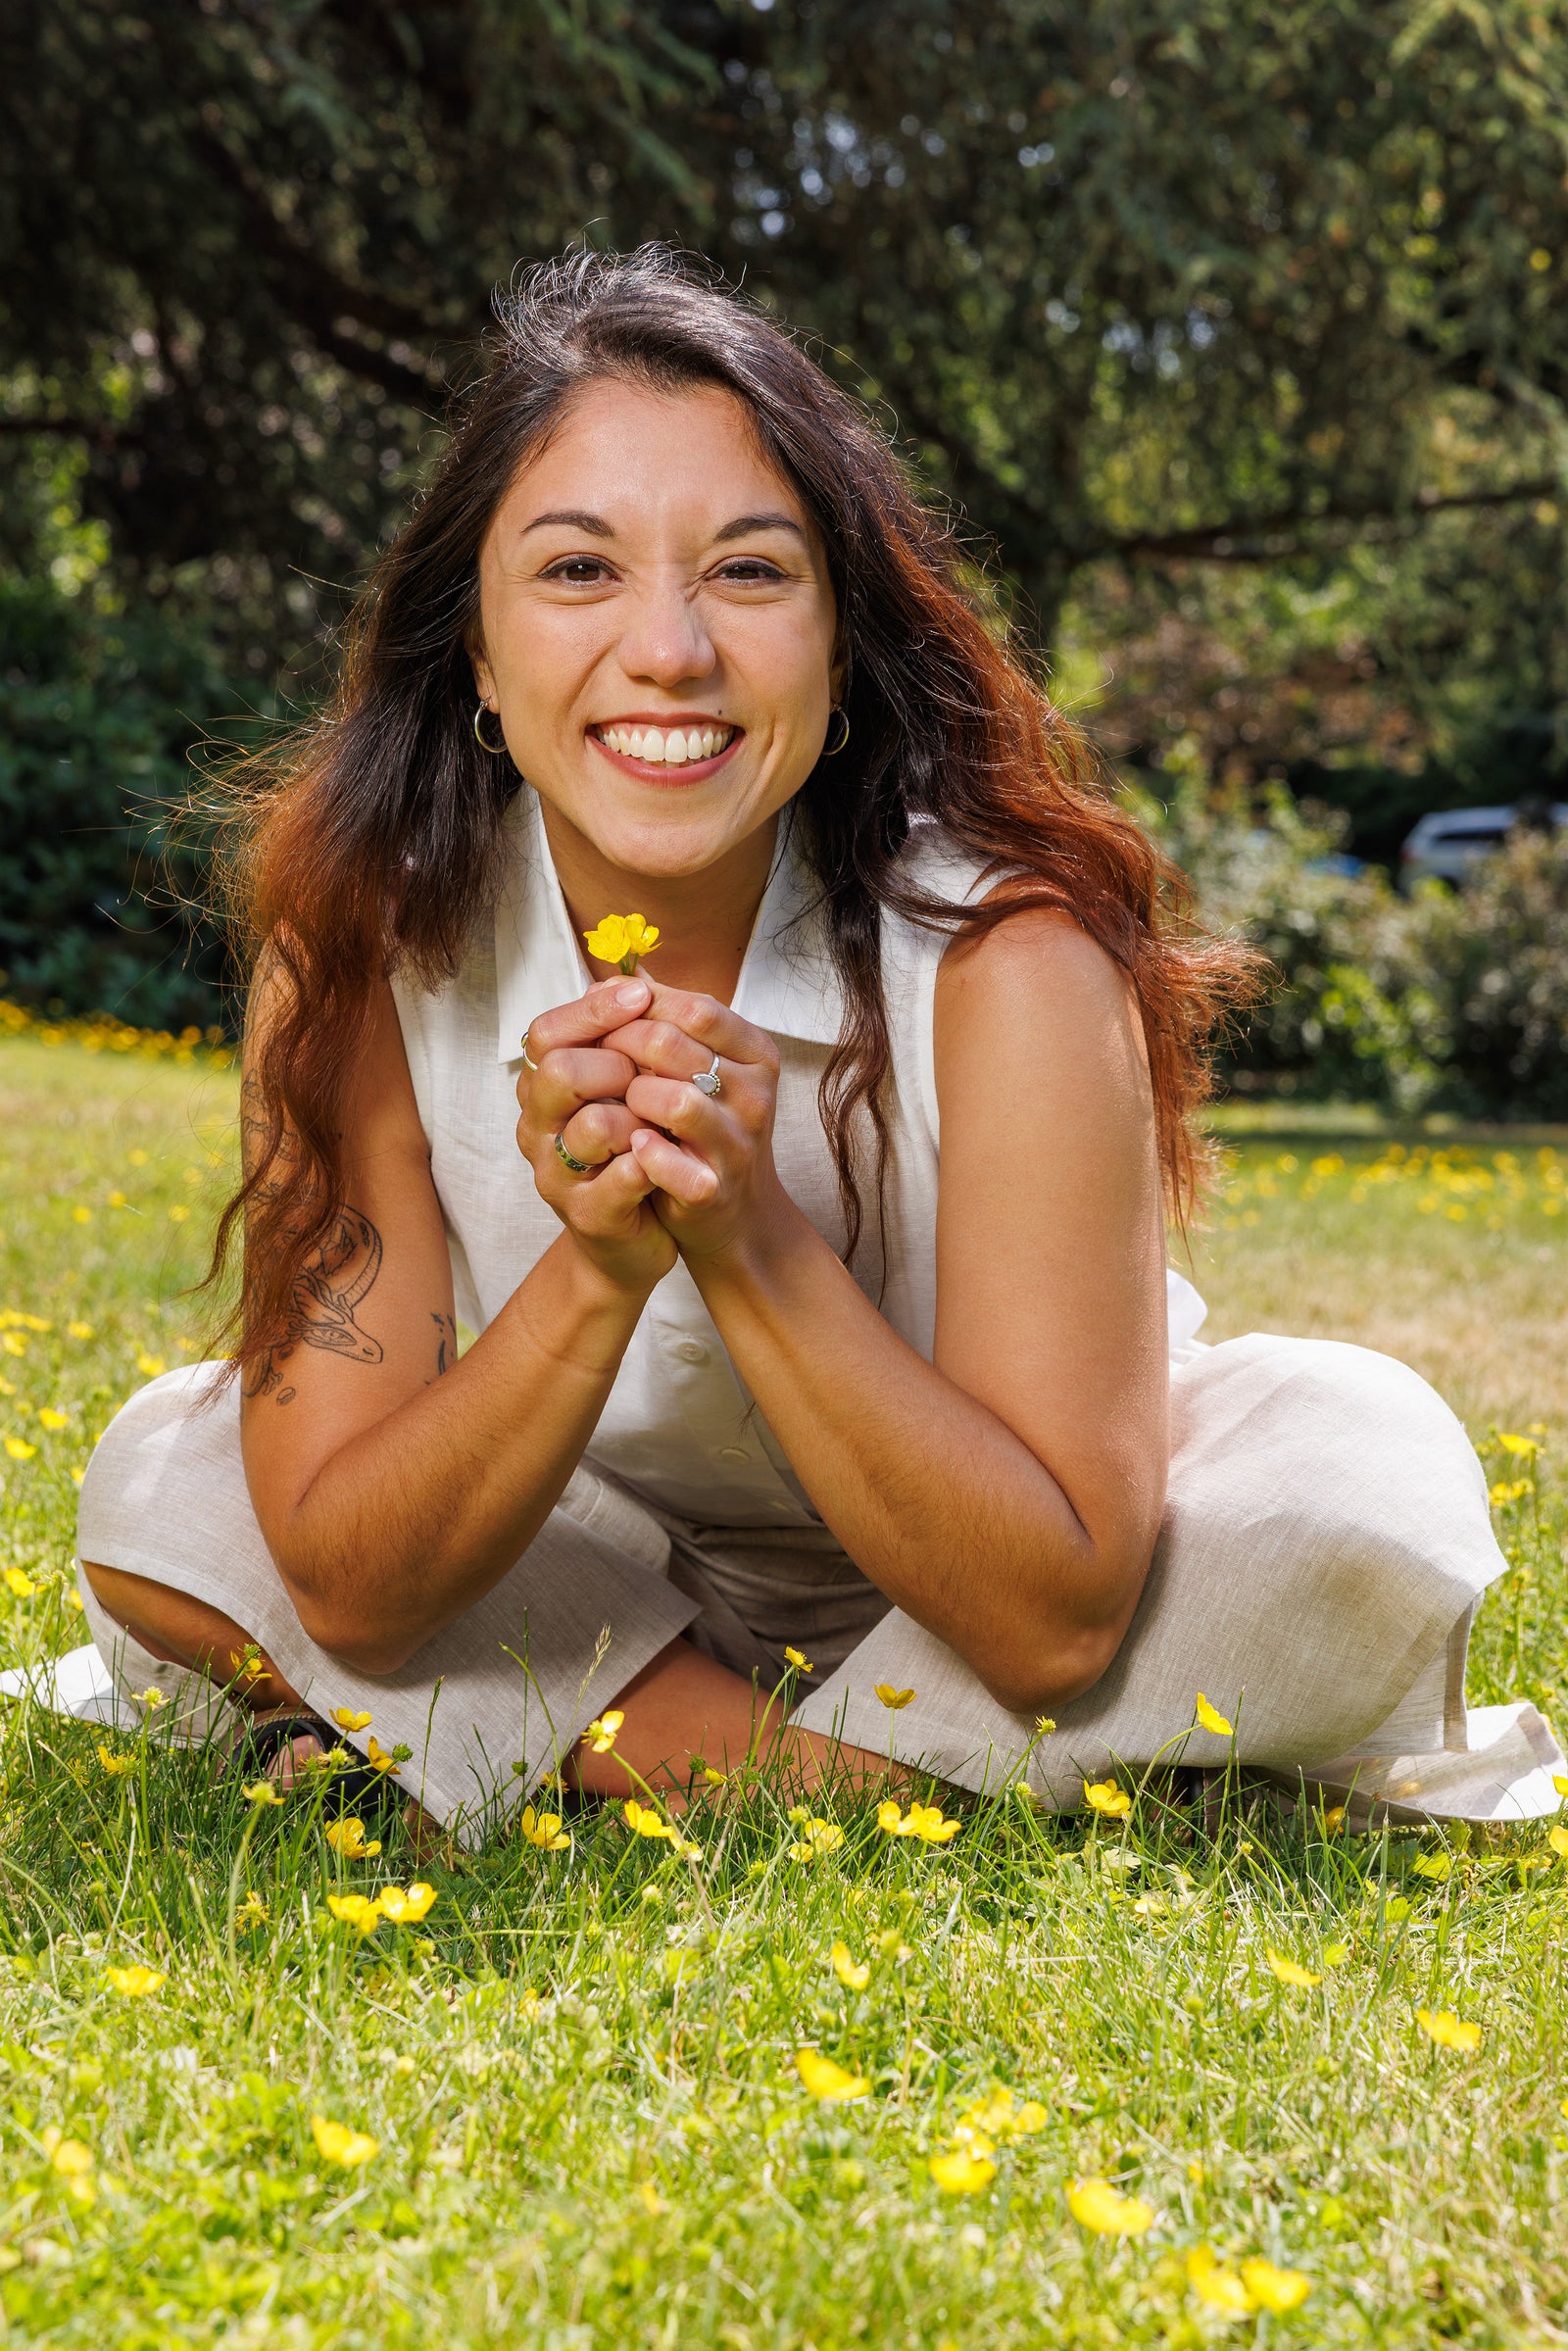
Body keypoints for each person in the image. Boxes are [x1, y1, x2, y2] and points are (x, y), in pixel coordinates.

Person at [74, 248, 1560, 1843]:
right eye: (577, 571)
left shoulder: (1011, 955)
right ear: (479, 659)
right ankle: (882, 1782)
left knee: (1356, 1484)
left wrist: (746, 1230)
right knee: (171, 1481)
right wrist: (598, 1267)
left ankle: (580, 1756)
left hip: (983, 1584)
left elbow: (1053, 1621)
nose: (669, 650)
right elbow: (357, 1588)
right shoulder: (362, 952)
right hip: (591, 1564)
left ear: (841, 644)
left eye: (749, 571)